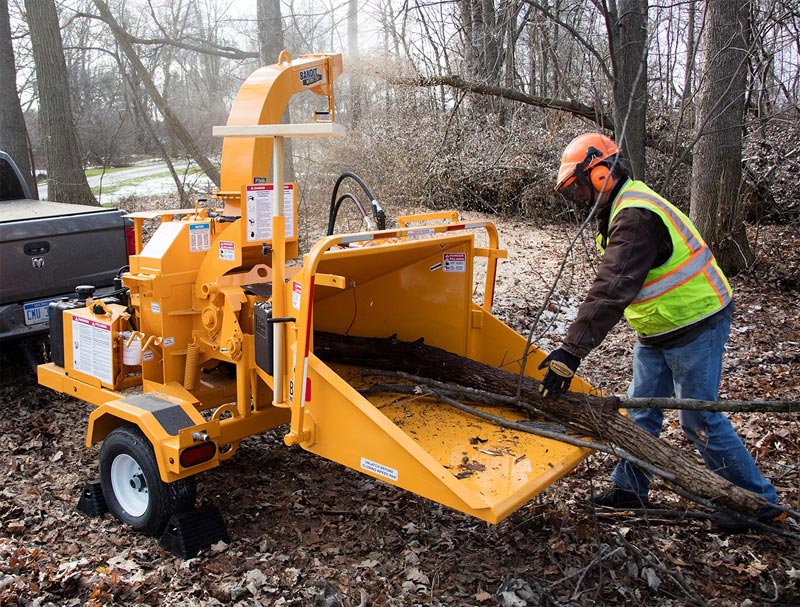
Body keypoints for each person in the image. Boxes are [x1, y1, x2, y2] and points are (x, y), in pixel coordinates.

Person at [538, 132, 780, 530]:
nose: (579, 198)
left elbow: (611, 289)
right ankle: (630, 487)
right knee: (640, 410)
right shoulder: (624, 206)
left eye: (579, 187)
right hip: (659, 330)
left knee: (699, 419)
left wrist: (570, 353)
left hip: (695, 322)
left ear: (600, 174)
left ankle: (756, 504)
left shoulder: (634, 215)